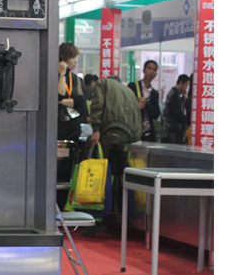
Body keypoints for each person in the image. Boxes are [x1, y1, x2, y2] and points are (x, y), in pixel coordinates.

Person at [82, 76, 142, 237]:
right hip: (128, 137)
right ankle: (121, 215)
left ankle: (96, 220)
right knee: (118, 176)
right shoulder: (128, 91)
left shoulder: (102, 84)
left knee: (98, 176)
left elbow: (97, 106)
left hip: (110, 133)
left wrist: (96, 129)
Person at [57, 42, 88, 142]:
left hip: (73, 126)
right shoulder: (55, 76)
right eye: (73, 57)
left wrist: (61, 102)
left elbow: (81, 103)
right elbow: (60, 95)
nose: (76, 61)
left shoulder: (74, 78)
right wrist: (62, 73)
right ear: (64, 58)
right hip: (58, 126)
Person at [128, 60, 160, 142]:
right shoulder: (133, 86)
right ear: (143, 70)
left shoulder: (154, 93)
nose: (151, 71)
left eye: (154, 70)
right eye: (149, 68)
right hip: (134, 131)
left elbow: (156, 114)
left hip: (148, 134)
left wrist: (146, 103)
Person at [161, 74, 190, 145]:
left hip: (172, 129)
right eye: (186, 85)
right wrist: (186, 120)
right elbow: (177, 113)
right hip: (173, 130)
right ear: (181, 83)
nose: (186, 88)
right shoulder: (174, 95)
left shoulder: (175, 93)